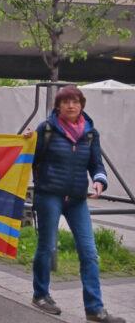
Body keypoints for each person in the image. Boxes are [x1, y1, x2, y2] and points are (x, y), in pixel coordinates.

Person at [31, 86, 125, 323]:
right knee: (47, 247)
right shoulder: (47, 129)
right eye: (66, 102)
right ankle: (41, 294)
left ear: (82, 104)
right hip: (49, 195)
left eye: (75, 101)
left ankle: (94, 308)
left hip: (77, 198)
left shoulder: (91, 133)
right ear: (58, 106)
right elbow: (31, 159)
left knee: (90, 253)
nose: (71, 106)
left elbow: (96, 165)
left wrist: (100, 182)